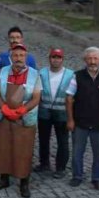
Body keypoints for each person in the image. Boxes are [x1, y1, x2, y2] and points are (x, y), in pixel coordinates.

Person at [0, 44, 42, 198]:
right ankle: (4, 179)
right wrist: (4, 108)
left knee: (24, 150)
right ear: (11, 57)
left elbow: (36, 97)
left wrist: (22, 110)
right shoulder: (2, 71)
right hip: (5, 117)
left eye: (21, 55)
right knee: (3, 148)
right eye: (15, 55)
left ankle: (24, 183)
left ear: (26, 57)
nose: (18, 58)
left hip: (25, 118)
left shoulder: (35, 74)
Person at [66, 47, 99, 190]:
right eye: (89, 58)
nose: (92, 61)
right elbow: (69, 98)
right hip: (80, 122)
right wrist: (70, 120)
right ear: (85, 60)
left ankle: (97, 178)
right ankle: (77, 176)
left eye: (95, 58)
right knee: (77, 152)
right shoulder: (77, 76)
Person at [36, 48, 74, 177]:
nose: (56, 60)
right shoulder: (42, 73)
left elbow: (73, 95)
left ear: (62, 59)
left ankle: (61, 168)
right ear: (49, 58)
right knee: (43, 139)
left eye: (58, 57)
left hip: (62, 112)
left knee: (62, 141)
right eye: (53, 57)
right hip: (44, 111)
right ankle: (44, 164)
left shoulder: (70, 74)